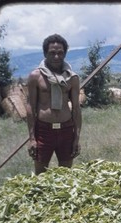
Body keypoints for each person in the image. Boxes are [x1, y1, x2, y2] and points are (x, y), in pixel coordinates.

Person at [26, 34, 82, 175]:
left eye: (60, 53)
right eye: (52, 53)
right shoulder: (36, 76)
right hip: (44, 130)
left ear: (64, 54)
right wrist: (32, 138)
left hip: (66, 129)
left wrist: (77, 138)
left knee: (65, 175)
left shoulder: (72, 78)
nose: (56, 56)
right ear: (45, 53)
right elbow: (31, 108)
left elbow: (76, 109)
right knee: (41, 175)